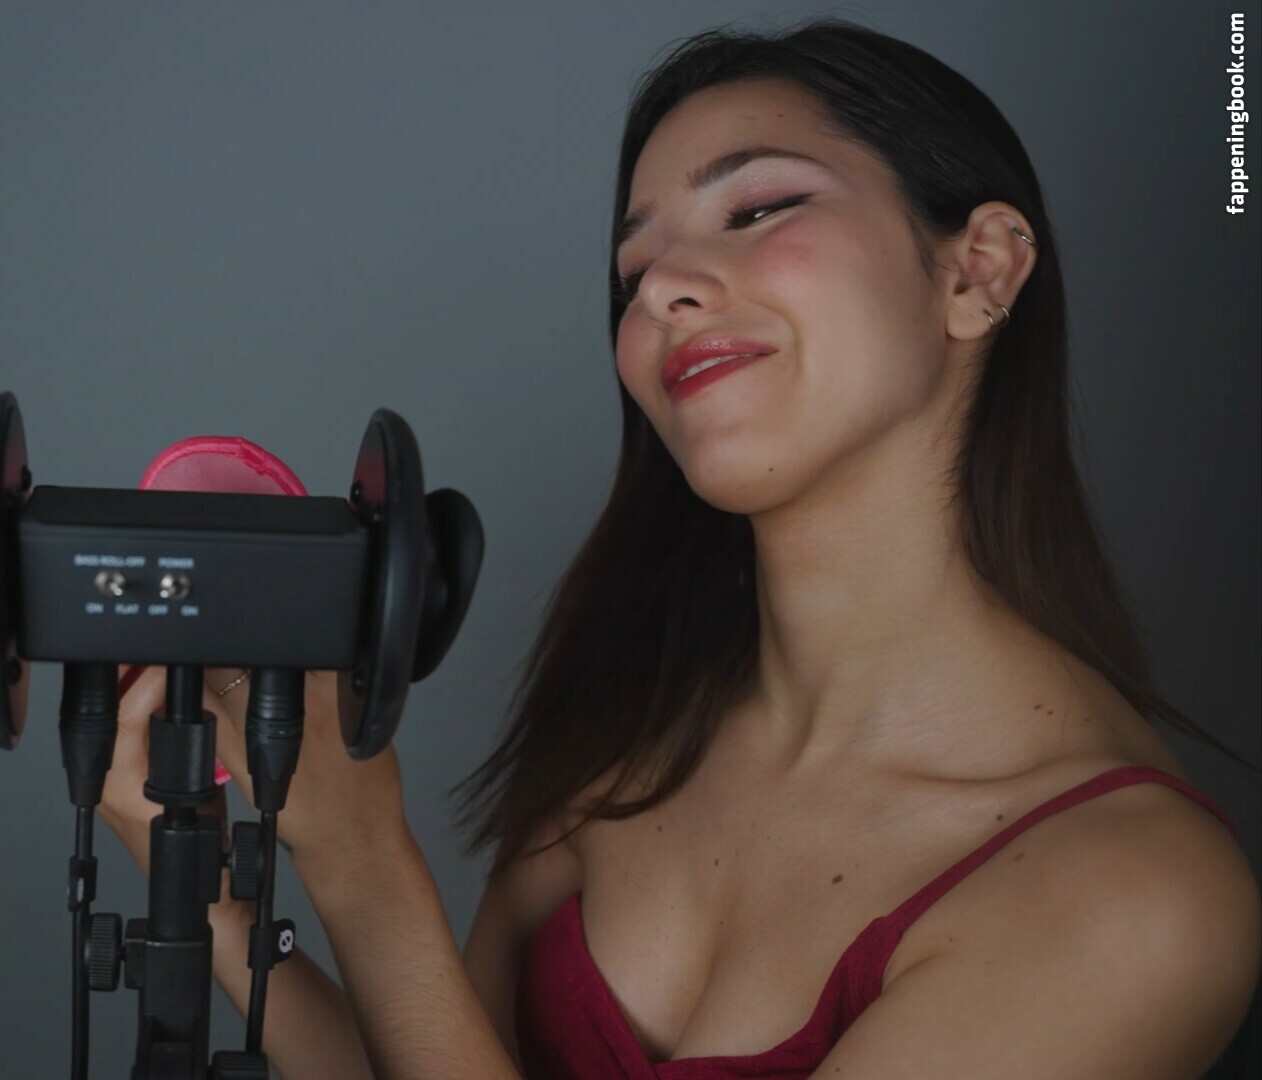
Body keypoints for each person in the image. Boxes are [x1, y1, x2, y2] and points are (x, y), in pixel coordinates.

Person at [100, 16, 1261, 1079]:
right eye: (630, 273)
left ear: (977, 270)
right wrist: (198, 887)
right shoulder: (621, 751)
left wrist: (365, 866)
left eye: (756, 210)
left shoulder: (1136, 897)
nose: (660, 288)